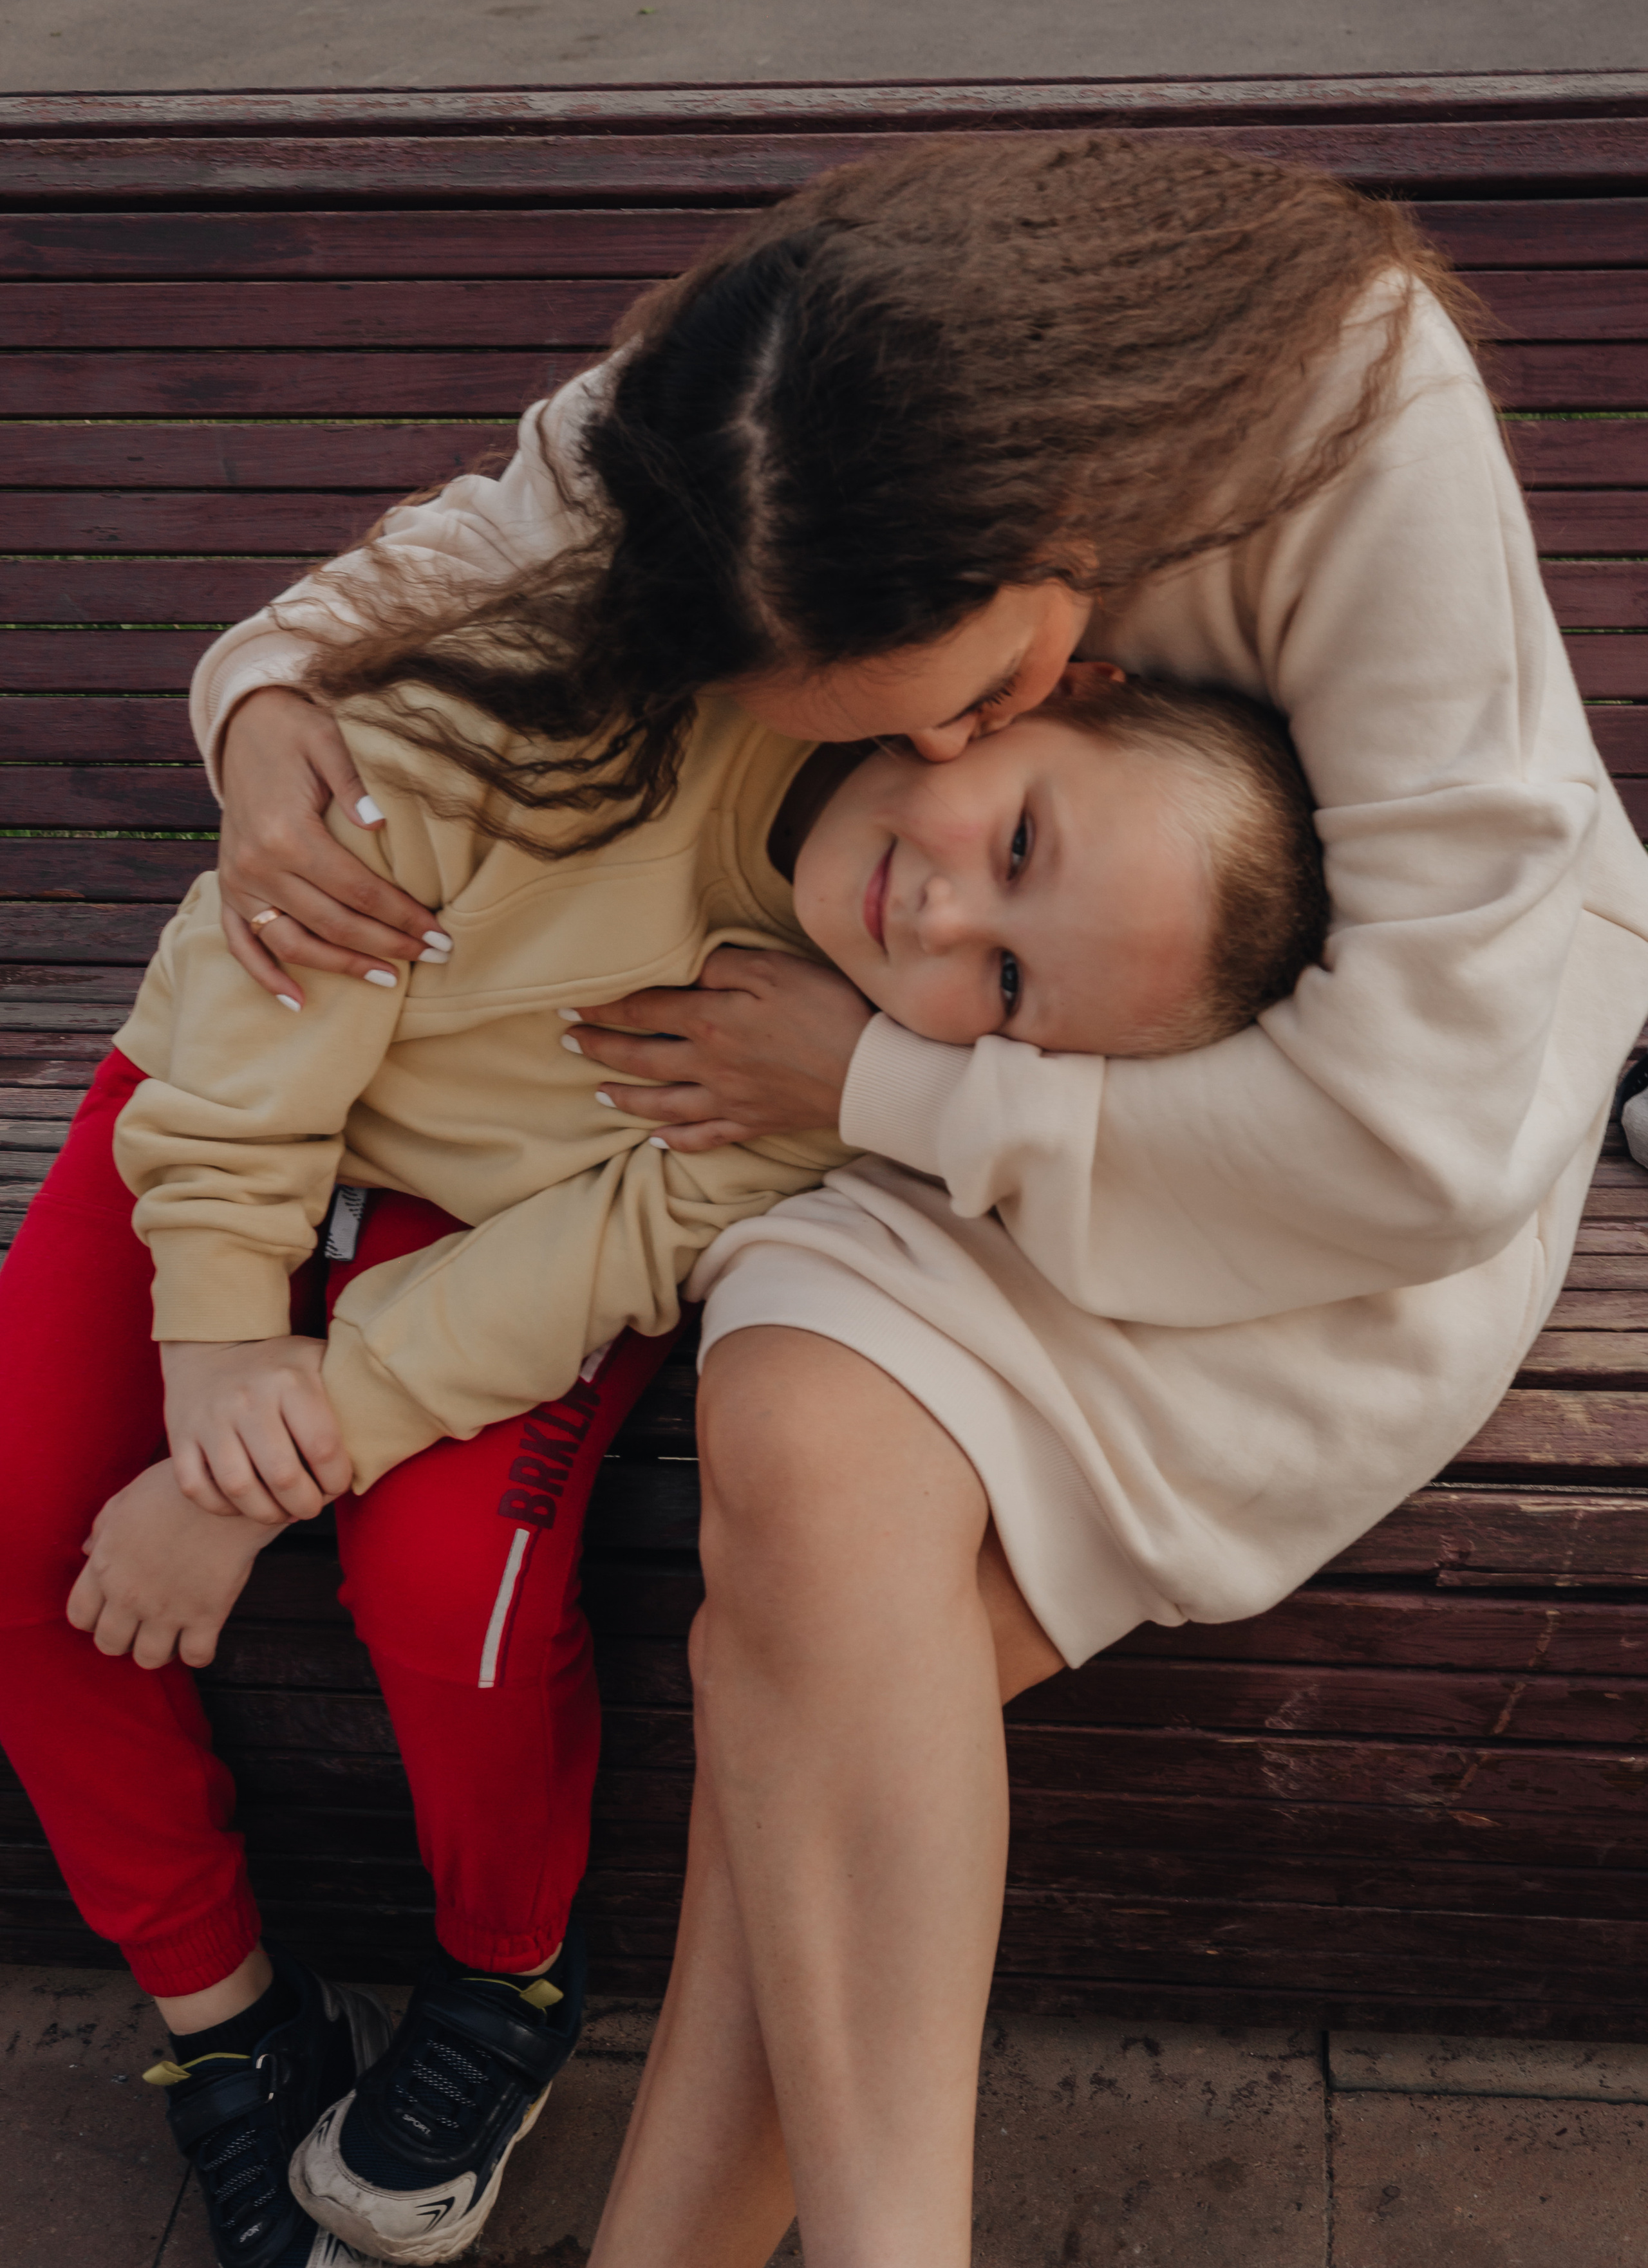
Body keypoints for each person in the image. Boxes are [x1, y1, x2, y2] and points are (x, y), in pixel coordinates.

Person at [171, 132, 1648, 2267]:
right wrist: (263, 694)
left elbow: (1421, 1145)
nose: (944, 749)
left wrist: (879, 1073)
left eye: (968, 701)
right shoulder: (761, 412)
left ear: (1062, 528)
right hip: (928, 1071)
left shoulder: (1346, 407)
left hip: (1348, 1133)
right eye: (879, 736)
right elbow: (492, 540)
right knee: (803, 1457)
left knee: (822, 1691)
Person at [0, 649, 1322, 2268]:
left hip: (501, 1227)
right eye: (1021, 843)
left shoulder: (834, 1051)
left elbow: (618, 1238)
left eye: (1004, 986)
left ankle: (506, 1977)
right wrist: (215, 1339)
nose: (940, 920)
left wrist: (280, 1458)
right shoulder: (595, 713)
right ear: (1030, 698)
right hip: (223, 1111)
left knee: (450, 1593)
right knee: (13, 1530)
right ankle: (231, 2024)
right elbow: (279, 954)